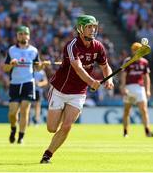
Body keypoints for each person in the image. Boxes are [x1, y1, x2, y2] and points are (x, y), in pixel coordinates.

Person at [40, 14, 114, 163]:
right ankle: (59, 117)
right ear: (80, 28)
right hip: (60, 89)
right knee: (52, 128)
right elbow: (78, 69)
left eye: (94, 27)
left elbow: (105, 66)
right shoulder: (72, 45)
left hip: (78, 93)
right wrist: (92, 82)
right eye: (89, 27)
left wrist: (109, 78)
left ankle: (47, 155)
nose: (92, 30)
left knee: (67, 126)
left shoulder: (98, 46)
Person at [3, 25, 47, 144]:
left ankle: (21, 136)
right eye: (20, 34)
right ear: (17, 36)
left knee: (24, 110)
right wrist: (11, 64)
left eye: (25, 34)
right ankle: (13, 129)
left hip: (28, 83)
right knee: (12, 113)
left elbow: (37, 68)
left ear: (28, 35)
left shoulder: (33, 50)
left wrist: (42, 65)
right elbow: (5, 68)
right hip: (15, 83)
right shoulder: (12, 50)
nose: (23, 36)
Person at [120, 42, 153, 138]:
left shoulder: (144, 62)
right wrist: (123, 87)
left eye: (139, 50)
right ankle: (125, 132)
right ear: (132, 51)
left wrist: (148, 90)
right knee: (127, 111)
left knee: (144, 110)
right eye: (135, 50)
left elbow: (146, 77)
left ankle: (147, 131)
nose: (137, 52)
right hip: (129, 87)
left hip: (140, 88)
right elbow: (123, 75)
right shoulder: (128, 61)